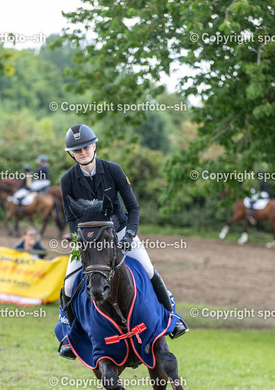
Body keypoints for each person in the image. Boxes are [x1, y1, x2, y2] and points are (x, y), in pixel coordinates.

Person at [58, 123, 187, 359]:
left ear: (94, 146)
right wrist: (80, 240)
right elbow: (70, 217)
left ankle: (173, 318)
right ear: (72, 154)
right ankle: (70, 336)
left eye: (86, 147)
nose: (82, 152)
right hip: (88, 240)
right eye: (77, 150)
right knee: (68, 285)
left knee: (148, 270)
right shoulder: (67, 179)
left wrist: (129, 234)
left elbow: (133, 207)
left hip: (119, 232)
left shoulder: (113, 170)